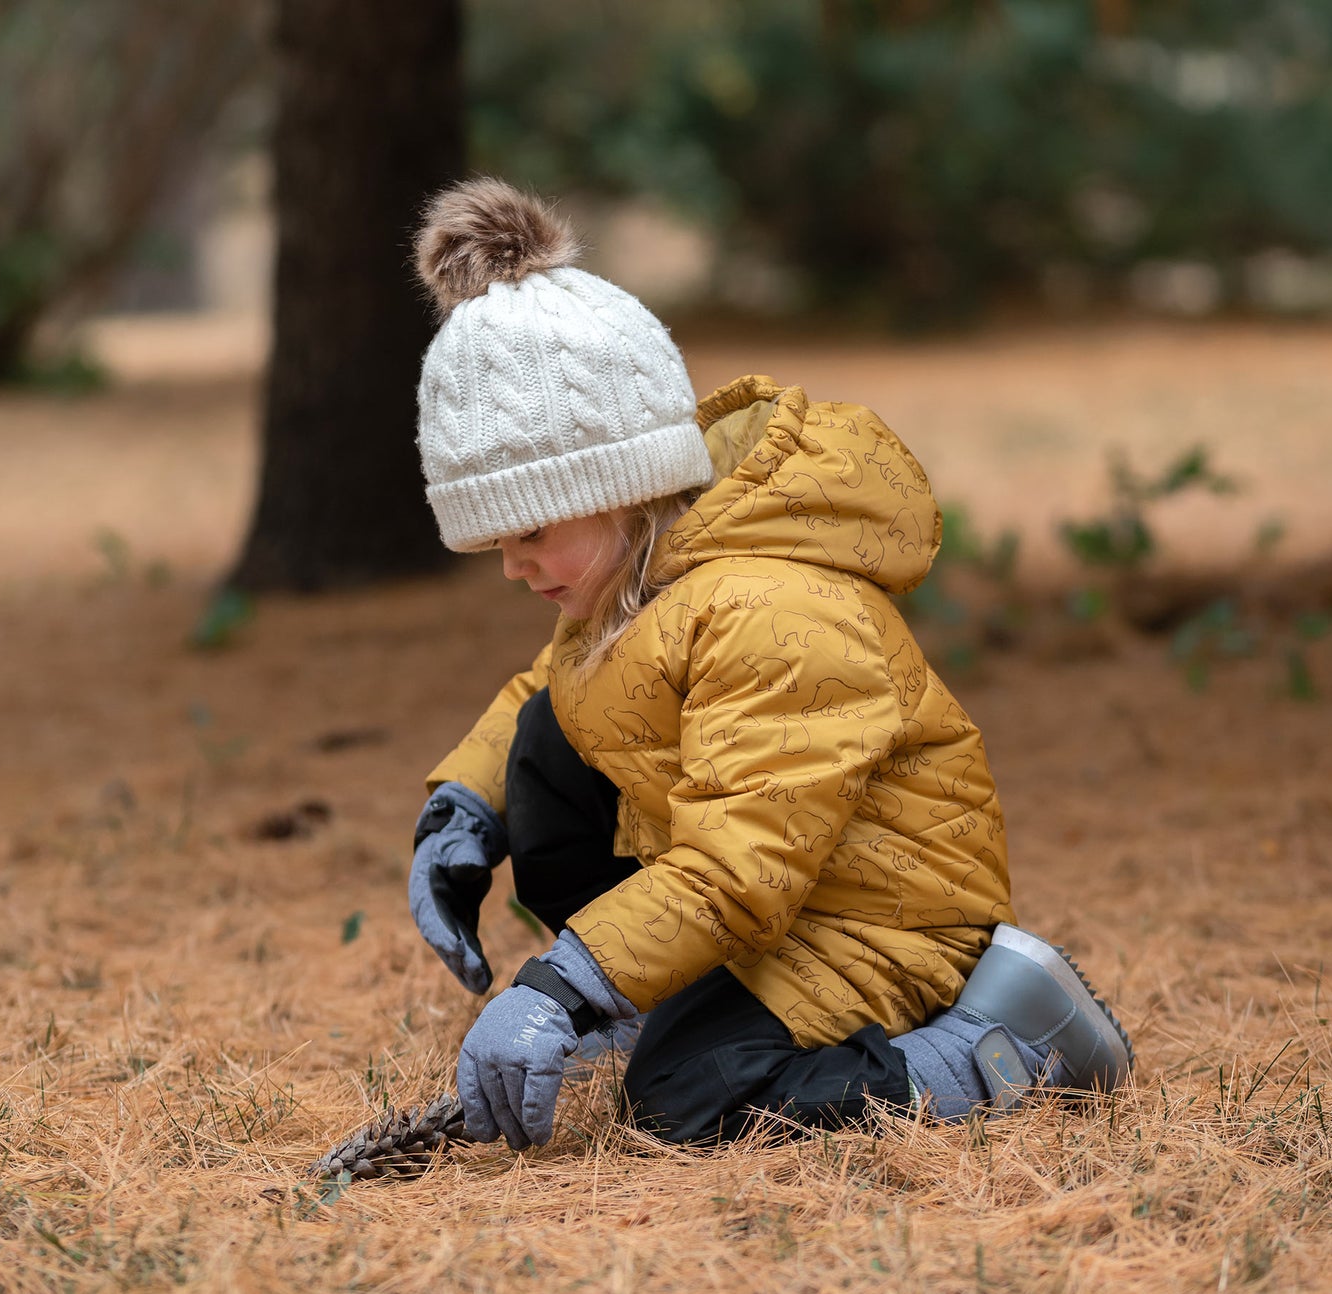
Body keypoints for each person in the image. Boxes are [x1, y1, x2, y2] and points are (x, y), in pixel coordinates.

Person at [407, 178, 1132, 1150]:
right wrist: (463, 804)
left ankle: (996, 1047)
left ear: (624, 486)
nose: (512, 565)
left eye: (531, 528)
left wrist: (565, 978)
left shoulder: (771, 608)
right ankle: (654, 1001)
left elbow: (740, 866)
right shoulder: (634, 576)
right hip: (771, 893)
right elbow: (548, 693)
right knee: (548, 739)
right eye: (493, 541)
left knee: (686, 1098)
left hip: (874, 912)